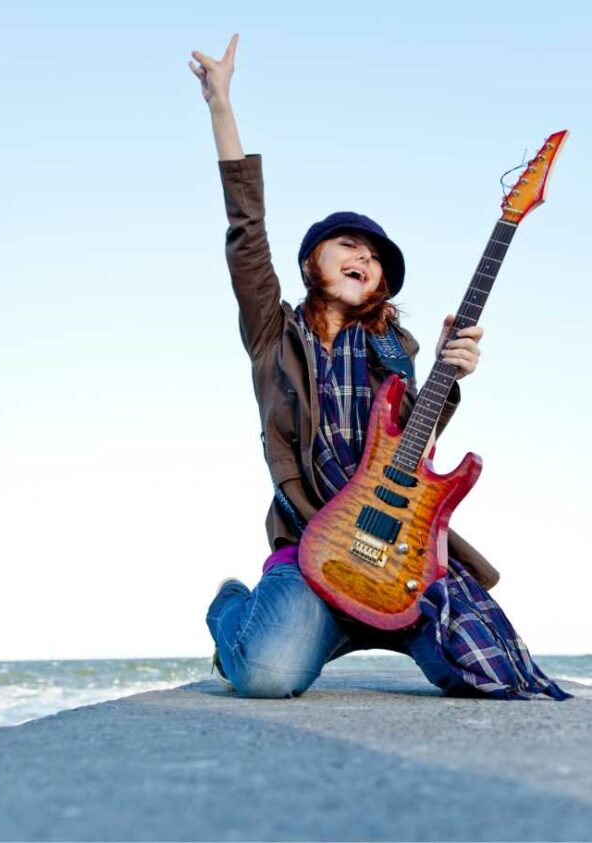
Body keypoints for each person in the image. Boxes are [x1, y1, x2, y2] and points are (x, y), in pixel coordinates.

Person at [188, 34, 570, 701]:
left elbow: (412, 453)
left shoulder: (396, 351)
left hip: (396, 556)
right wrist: (221, 103)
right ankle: (231, 610)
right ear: (313, 262)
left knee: (490, 675)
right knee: (266, 673)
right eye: (347, 244)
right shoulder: (275, 335)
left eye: (376, 257)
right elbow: (246, 231)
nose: (364, 256)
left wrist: (451, 378)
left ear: (381, 286)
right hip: (315, 551)